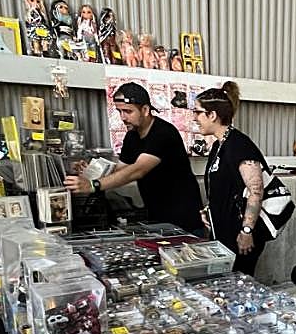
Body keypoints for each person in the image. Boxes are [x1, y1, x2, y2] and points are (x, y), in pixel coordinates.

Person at [64, 82, 202, 233]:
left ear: (145, 110)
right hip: (157, 213)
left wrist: (93, 185)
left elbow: (137, 171)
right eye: (119, 111)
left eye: (128, 111)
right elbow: (120, 169)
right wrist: (90, 172)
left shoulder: (163, 133)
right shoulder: (132, 136)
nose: (123, 117)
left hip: (184, 215)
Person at [196, 81, 273, 276]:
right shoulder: (218, 146)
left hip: (240, 236)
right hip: (222, 233)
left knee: (239, 287)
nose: (195, 118)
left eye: (198, 112)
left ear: (212, 115)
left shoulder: (239, 144)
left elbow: (256, 190)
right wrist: (209, 209)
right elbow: (224, 186)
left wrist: (246, 231)